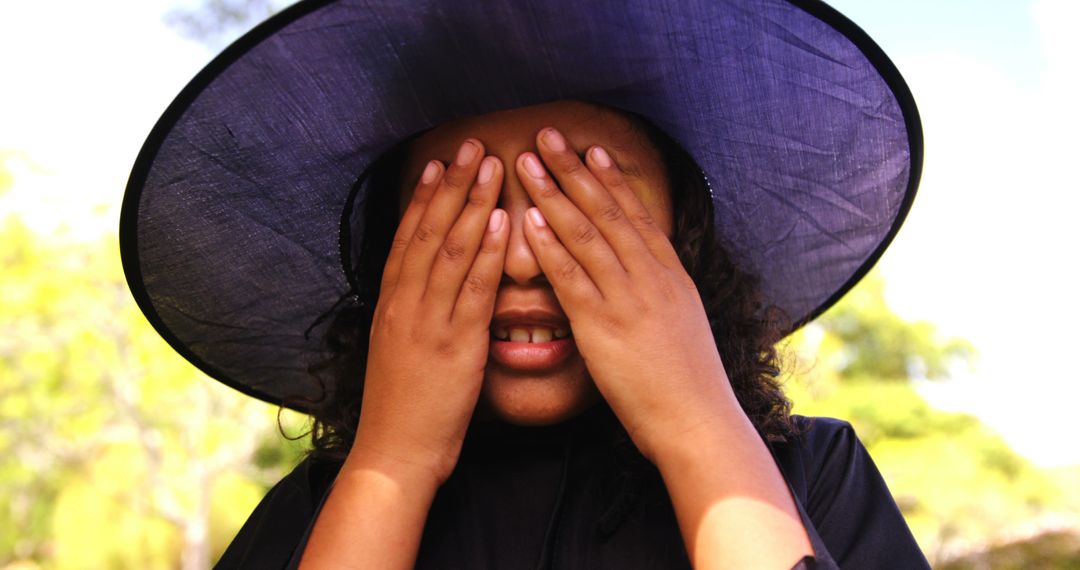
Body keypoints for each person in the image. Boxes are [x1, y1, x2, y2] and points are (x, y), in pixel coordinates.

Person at [120, 1, 930, 568]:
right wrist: (392, 463)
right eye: (465, 213)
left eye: (581, 203)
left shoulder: (812, 474)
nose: (519, 259)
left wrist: (697, 426)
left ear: (684, 250)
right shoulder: (316, 511)